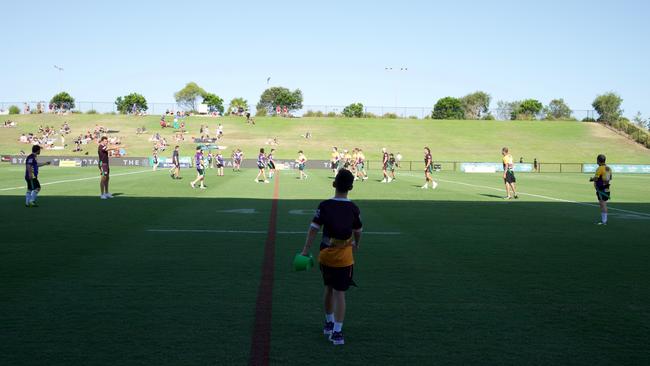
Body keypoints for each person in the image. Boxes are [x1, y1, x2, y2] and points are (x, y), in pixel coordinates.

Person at [300, 169, 363, 346]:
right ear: (351, 187)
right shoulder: (353, 208)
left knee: (328, 288)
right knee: (340, 293)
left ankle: (329, 322)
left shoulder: (325, 205)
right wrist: (357, 244)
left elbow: (313, 229)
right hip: (344, 258)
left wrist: (305, 250)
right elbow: (358, 231)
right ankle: (337, 332)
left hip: (326, 255)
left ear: (334, 184)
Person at [590, 154, 612, 225]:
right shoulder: (608, 168)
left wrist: (592, 179)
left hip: (601, 189)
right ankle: (604, 221)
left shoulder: (600, 168)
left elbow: (596, 178)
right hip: (607, 188)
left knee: (602, 204)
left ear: (598, 161)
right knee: (603, 203)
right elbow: (610, 178)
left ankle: (604, 221)